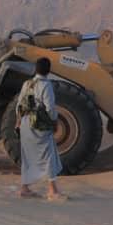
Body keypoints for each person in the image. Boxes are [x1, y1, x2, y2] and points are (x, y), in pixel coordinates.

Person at [17, 57, 67, 201]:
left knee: (27, 156)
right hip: (39, 124)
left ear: (35, 69)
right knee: (49, 154)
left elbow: (19, 105)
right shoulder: (46, 84)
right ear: (48, 70)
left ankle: (24, 188)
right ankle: (52, 190)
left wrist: (18, 122)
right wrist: (54, 121)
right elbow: (50, 108)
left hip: (26, 123)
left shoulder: (27, 84)